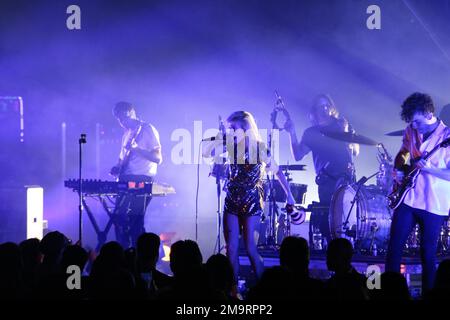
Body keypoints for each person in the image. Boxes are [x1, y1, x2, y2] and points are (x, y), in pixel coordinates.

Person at [203, 111, 295, 281]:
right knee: (231, 248)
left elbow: (278, 172)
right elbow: (207, 153)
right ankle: (232, 289)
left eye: (233, 128)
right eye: (229, 128)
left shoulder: (259, 149)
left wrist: (289, 195)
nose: (230, 131)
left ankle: (262, 286)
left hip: (252, 201)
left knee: (250, 247)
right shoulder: (230, 148)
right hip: (232, 199)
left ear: (245, 129)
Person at [386, 92, 450, 294]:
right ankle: (388, 292)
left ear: (429, 112)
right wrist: (398, 168)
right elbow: (403, 153)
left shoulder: (447, 135)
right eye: (411, 123)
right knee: (394, 246)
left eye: (417, 122)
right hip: (410, 197)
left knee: (428, 253)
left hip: (434, 203)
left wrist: (428, 168)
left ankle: (429, 294)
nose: (414, 126)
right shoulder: (411, 131)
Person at [282, 94, 358, 243]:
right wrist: (292, 132)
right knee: (331, 224)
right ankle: (333, 252)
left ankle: (349, 250)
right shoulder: (312, 133)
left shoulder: (341, 124)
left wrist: (347, 135)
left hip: (347, 179)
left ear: (331, 108)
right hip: (326, 181)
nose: (324, 109)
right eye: (320, 106)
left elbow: (355, 152)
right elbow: (298, 155)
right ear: (314, 112)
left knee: (349, 220)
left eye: (327, 106)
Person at [110, 101, 162, 248]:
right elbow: (122, 158)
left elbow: (158, 158)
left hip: (142, 180)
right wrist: (117, 167)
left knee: (135, 221)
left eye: (123, 118)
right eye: (118, 119)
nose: (121, 122)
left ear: (131, 113)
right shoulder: (126, 134)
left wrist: (137, 149)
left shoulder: (147, 129)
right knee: (119, 218)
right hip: (126, 180)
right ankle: (124, 253)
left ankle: (141, 258)